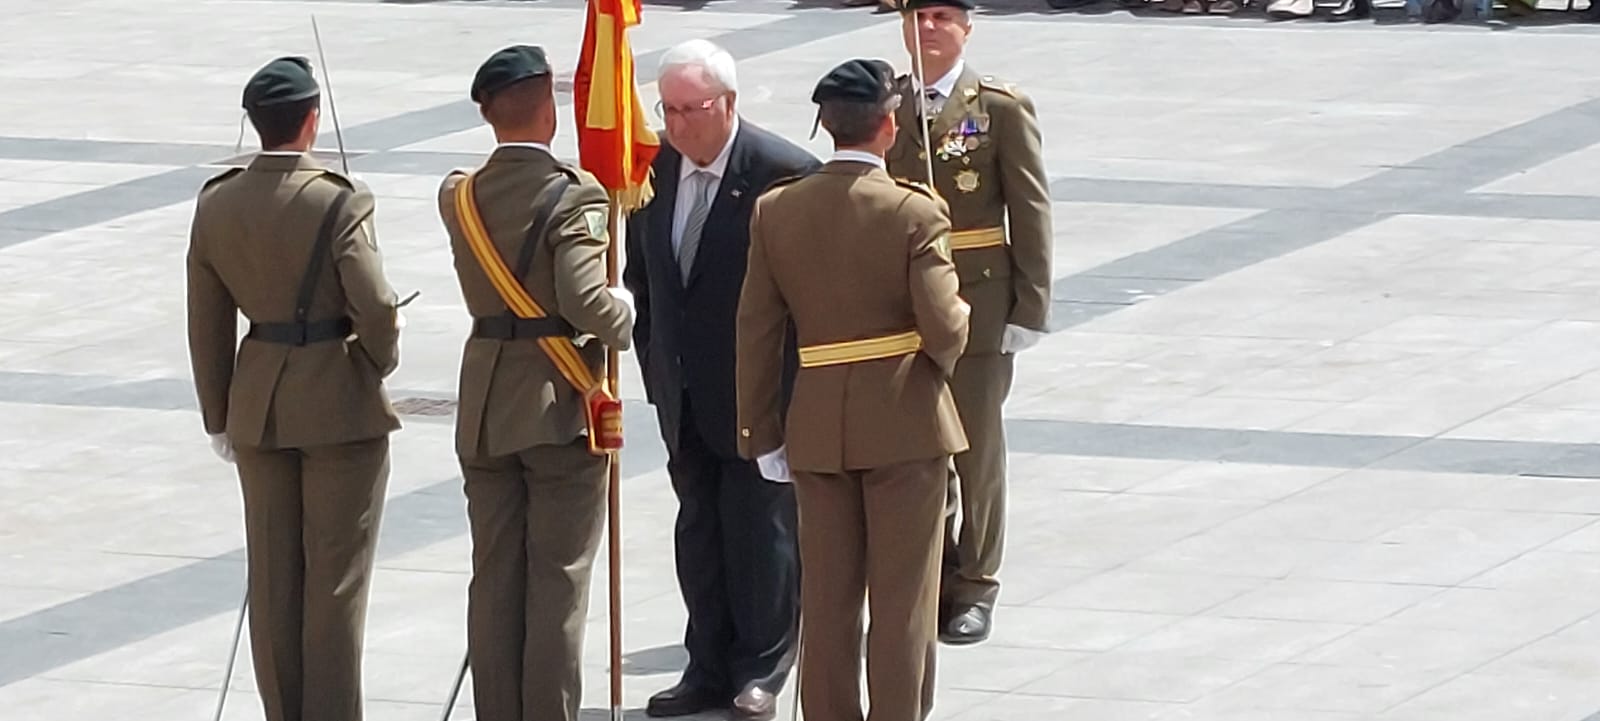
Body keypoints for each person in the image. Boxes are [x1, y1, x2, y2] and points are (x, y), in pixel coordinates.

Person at [735, 57, 970, 721]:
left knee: (828, 602)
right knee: (902, 603)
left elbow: (755, 330)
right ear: (889, 126)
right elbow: (945, 327)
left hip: (815, 426)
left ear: (825, 127)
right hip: (905, 422)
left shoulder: (775, 211)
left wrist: (761, 429)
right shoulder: (913, 212)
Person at [186, 55, 403, 721]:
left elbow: (207, 319)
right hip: (337, 403)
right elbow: (376, 305)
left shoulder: (217, 201)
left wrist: (219, 414)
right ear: (312, 120)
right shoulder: (339, 198)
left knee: (274, 578)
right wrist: (377, 359)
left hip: (258, 406)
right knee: (335, 583)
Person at [435, 45, 635, 721]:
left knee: (495, 577)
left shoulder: (457, 193)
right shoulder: (573, 191)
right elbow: (584, 300)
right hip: (557, 405)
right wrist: (625, 316)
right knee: (558, 579)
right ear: (549, 106)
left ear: (488, 113)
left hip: (486, 404)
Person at [623, 39, 820, 721]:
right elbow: (644, 280)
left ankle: (760, 670)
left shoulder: (783, 172)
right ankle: (704, 665)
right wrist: (654, 363)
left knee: (760, 535)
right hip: (682, 392)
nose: (678, 124)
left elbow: (808, 297)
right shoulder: (653, 172)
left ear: (729, 103)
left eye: (691, 109)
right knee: (699, 533)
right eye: (668, 109)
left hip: (758, 391)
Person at [886, 0, 1053, 646]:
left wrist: (1030, 306)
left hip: (978, 300)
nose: (927, 29)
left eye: (941, 17)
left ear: (965, 29)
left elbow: (1029, 208)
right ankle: (935, 573)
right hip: (901, 304)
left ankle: (978, 581)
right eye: (917, 17)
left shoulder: (997, 107)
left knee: (975, 449)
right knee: (916, 449)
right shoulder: (889, 102)